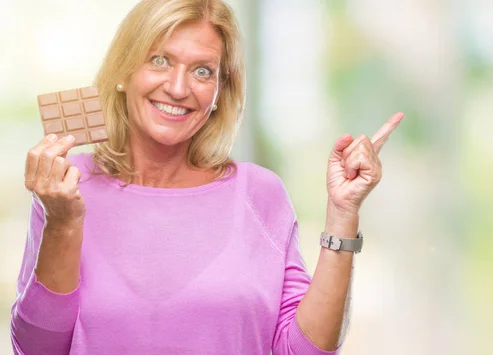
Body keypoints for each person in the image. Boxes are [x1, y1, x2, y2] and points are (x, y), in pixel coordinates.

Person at [10, 0, 403, 354]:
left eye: (202, 71)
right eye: (160, 60)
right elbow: (37, 348)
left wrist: (343, 212)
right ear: (124, 71)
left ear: (219, 92)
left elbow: (303, 350)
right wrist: (62, 223)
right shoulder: (67, 185)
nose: (179, 88)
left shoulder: (259, 192)